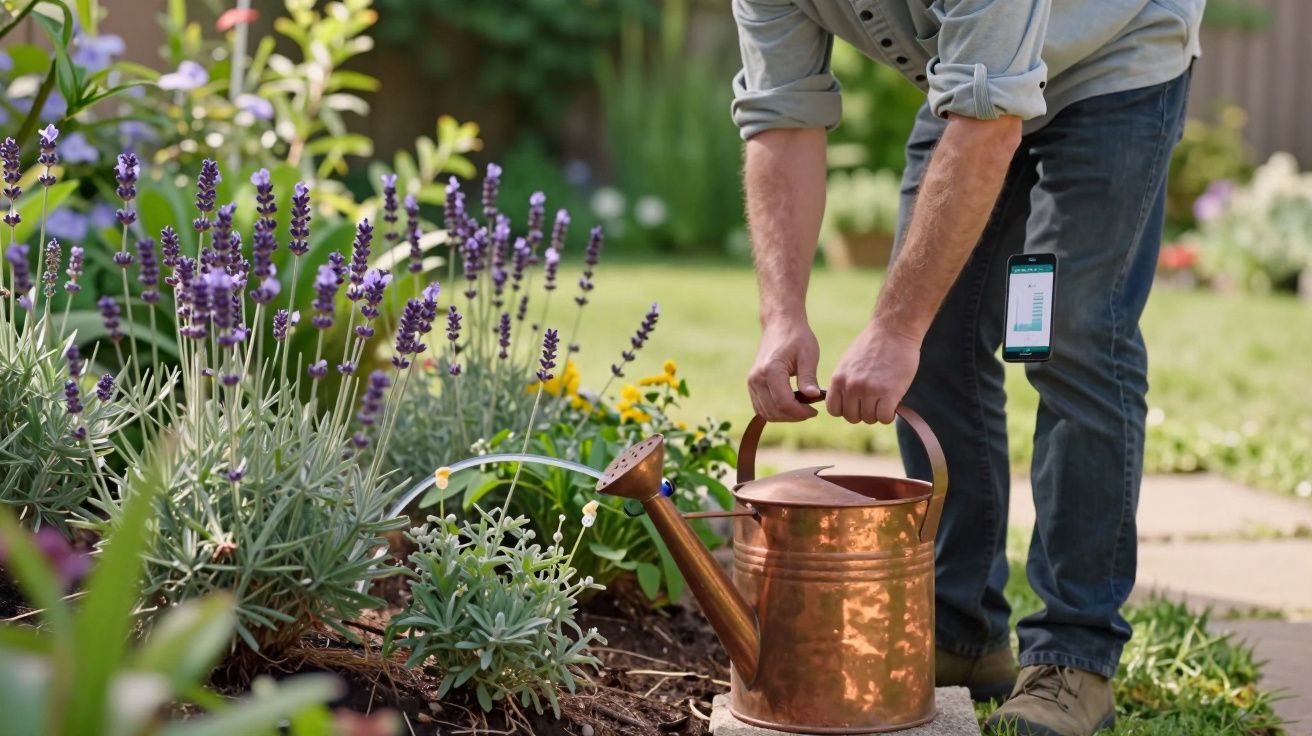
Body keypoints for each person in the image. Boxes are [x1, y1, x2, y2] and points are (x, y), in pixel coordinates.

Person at [734, 1, 1203, 734]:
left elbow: (989, 125)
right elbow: (781, 114)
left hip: (1115, 48)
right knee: (930, 352)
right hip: (977, 77)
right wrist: (781, 316)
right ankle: (959, 632)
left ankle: (1074, 659)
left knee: (1073, 335)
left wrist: (893, 327)